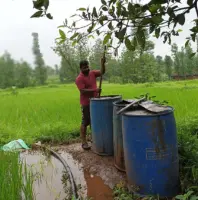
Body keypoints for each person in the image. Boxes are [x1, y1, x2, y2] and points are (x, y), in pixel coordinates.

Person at [75, 58, 106, 150]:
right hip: (86, 103)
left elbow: (102, 72)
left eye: (87, 66)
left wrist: (102, 63)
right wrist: (95, 90)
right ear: (81, 68)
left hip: (96, 102)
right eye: (84, 67)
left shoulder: (92, 73)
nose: (87, 69)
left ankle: (94, 139)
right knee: (85, 122)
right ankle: (84, 142)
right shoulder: (79, 79)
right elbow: (83, 91)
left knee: (95, 121)